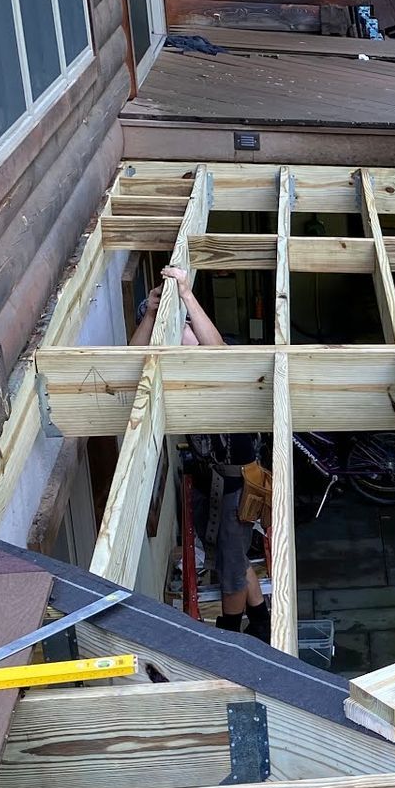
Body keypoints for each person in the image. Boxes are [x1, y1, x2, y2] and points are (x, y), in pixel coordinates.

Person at [131, 267, 271, 641]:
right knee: (233, 561)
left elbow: (219, 351)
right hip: (214, 480)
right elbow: (131, 361)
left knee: (230, 569)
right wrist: (149, 315)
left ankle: (232, 637)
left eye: (187, 328)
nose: (185, 337)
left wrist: (188, 297)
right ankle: (260, 622)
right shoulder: (174, 371)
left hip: (236, 483)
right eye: (178, 332)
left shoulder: (219, 369)